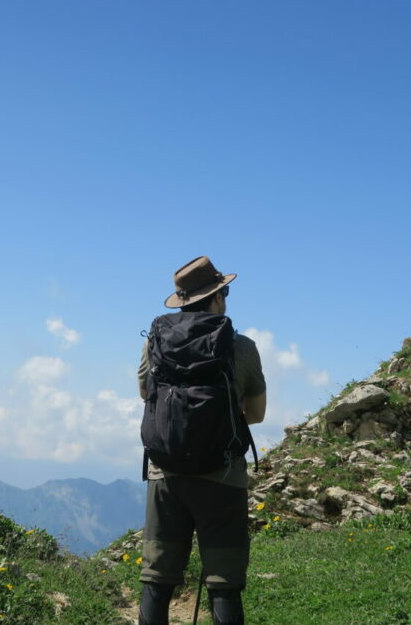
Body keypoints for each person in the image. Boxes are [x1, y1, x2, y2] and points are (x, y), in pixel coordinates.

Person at [137, 256, 267, 625]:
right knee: (224, 583)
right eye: (223, 291)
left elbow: (144, 393)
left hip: (166, 472)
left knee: (157, 578)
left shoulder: (155, 343)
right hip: (222, 474)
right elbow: (256, 415)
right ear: (217, 297)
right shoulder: (241, 347)